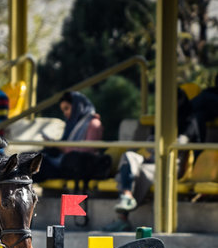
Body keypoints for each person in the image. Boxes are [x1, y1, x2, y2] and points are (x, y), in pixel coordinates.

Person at [104, 88, 200, 232]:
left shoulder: (190, 121)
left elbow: (178, 146)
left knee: (141, 172)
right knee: (129, 157)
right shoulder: (161, 119)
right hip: (153, 159)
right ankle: (127, 196)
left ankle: (122, 217)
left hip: (172, 163)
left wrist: (157, 147)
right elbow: (150, 145)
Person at [32, 91, 104, 182]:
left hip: (78, 167)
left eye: (67, 108)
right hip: (65, 163)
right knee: (34, 159)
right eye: (63, 110)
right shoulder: (73, 125)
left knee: (37, 164)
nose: (65, 113)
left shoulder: (94, 124)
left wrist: (62, 147)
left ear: (78, 106)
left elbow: (89, 150)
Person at [191, 74, 218, 142]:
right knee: (198, 117)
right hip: (210, 110)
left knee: (204, 97)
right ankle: (198, 149)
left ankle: (186, 110)